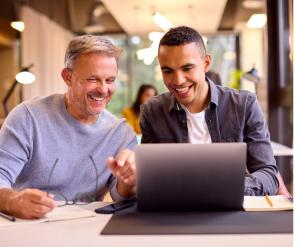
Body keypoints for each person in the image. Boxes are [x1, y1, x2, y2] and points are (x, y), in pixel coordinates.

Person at [0, 35, 137, 219]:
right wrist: (13, 201)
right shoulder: (28, 117)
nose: (103, 90)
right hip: (29, 225)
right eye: (93, 79)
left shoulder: (120, 133)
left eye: (110, 80)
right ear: (68, 77)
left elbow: (120, 196)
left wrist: (129, 180)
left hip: (85, 229)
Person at [139, 26, 279, 196]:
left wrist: (225, 188)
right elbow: (148, 176)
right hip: (175, 211)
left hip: (231, 209)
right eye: (168, 71)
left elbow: (268, 174)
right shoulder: (151, 111)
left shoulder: (244, 105)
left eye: (187, 68)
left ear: (205, 63)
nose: (178, 80)